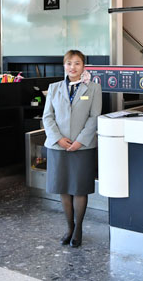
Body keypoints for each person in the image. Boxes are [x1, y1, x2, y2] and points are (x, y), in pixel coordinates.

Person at [43, 50, 102, 248]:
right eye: (69, 63)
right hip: (58, 146)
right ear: (64, 65)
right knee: (64, 188)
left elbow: (94, 117)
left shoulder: (93, 88)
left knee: (79, 188)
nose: (72, 67)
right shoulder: (54, 88)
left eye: (77, 63)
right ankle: (69, 227)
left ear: (83, 66)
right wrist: (58, 139)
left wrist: (80, 141)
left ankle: (78, 229)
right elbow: (47, 117)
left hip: (82, 147)